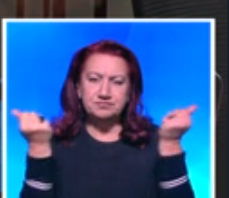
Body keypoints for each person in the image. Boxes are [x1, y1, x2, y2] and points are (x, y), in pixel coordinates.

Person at [11, 39, 198, 198]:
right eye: (94, 79)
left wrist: (172, 143)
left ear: (130, 92)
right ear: (77, 87)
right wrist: (37, 146)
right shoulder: (50, 141)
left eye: (117, 82)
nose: (104, 92)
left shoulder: (158, 140)